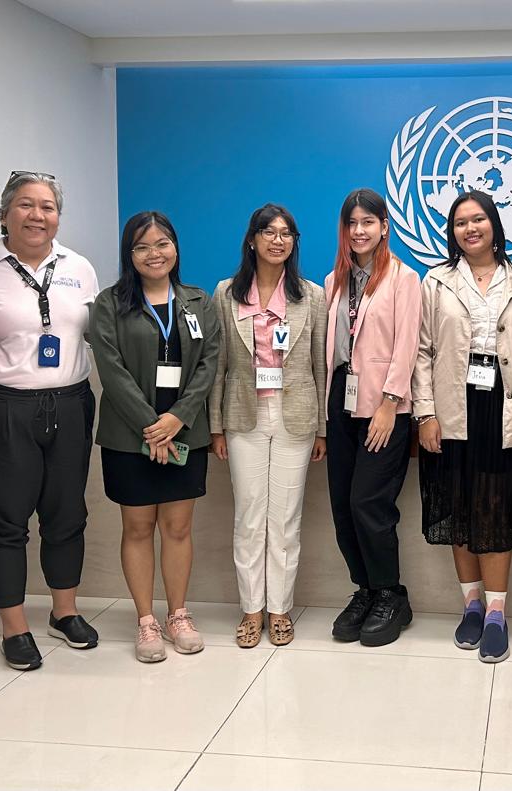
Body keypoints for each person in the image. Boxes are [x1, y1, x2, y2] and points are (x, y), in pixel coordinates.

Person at [0, 171, 101, 671]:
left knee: (67, 515)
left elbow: (92, 336)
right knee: (6, 521)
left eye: (47, 207)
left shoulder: (80, 268)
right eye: (25, 205)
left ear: (57, 217)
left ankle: (64, 613)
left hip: (71, 403)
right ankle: (15, 627)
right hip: (7, 407)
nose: (37, 215)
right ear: (4, 214)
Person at [413, 190, 512, 664]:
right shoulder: (437, 281)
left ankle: (497, 613)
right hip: (452, 404)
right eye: (461, 222)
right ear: (453, 232)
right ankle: (470, 603)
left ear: (494, 225)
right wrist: (425, 412)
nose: (470, 229)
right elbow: (422, 351)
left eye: (479, 219)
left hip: (505, 405)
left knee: (497, 507)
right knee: (458, 503)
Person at [90, 211, 220, 662]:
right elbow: (111, 369)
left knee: (179, 527)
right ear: (130, 255)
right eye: (142, 246)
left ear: (176, 248)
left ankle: (178, 614)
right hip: (130, 436)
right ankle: (146, 621)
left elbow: (209, 365)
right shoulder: (109, 304)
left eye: (162, 243)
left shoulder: (199, 302)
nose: (154, 253)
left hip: (186, 432)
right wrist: (152, 424)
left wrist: (177, 420)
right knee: (139, 527)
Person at [209, 204, 326, 648]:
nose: (277, 240)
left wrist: (322, 430)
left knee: (286, 520)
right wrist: (216, 426)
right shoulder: (226, 293)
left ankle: (279, 609)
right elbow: (218, 365)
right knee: (249, 517)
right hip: (244, 417)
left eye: (286, 234)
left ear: (294, 243)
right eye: (268, 232)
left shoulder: (310, 295)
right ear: (252, 240)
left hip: (296, 415)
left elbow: (319, 363)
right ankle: (251, 609)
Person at [324, 188, 421, 647]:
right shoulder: (334, 281)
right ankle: (363, 589)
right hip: (340, 405)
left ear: (384, 226)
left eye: (368, 222)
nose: (359, 231)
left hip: (384, 407)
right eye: (351, 224)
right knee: (343, 506)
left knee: (369, 504)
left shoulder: (404, 278)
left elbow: (407, 345)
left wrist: (389, 403)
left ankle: (391, 595)